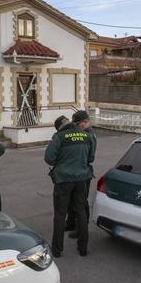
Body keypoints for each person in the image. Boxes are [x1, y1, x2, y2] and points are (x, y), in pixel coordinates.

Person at [45, 111, 96, 257]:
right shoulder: (87, 135)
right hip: (81, 179)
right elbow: (91, 158)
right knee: (81, 211)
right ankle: (83, 249)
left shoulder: (59, 137)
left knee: (60, 214)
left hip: (63, 180)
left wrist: (62, 161)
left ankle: (57, 249)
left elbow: (49, 158)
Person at [66, 110, 96, 238]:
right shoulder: (83, 132)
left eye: (79, 124)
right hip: (77, 172)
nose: (77, 127)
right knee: (72, 199)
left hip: (84, 172)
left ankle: (81, 228)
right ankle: (71, 223)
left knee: (81, 201)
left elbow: (91, 158)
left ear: (85, 122)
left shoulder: (90, 135)